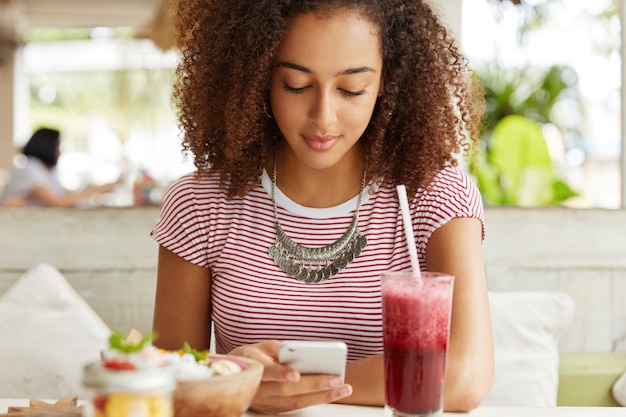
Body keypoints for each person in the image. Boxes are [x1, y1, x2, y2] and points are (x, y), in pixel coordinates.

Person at [151, 0, 494, 414]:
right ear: (260, 75)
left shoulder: (433, 193)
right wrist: (234, 373)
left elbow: (464, 375)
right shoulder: (200, 204)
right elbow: (166, 373)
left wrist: (282, 386)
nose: (323, 117)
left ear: (387, 79)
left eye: (352, 89)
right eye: (296, 84)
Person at [0, 128, 119, 207]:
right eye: (58, 147)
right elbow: (56, 202)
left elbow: (65, 194)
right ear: (46, 146)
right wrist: (92, 192)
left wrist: (95, 189)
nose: (60, 153)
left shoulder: (48, 170)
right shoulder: (31, 167)